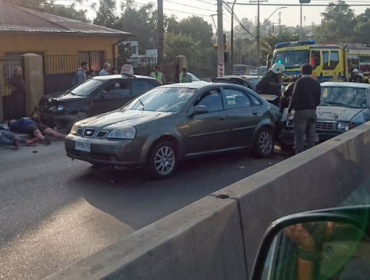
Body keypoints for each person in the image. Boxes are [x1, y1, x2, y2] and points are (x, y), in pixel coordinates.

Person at [288, 64, 321, 155]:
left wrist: (290, 110)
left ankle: (299, 157)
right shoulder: (316, 83)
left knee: (299, 137)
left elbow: (294, 97)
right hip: (313, 112)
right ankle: (311, 156)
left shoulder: (300, 82)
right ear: (311, 72)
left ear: (302, 71)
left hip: (301, 112)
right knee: (311, 136)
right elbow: (318, 100)